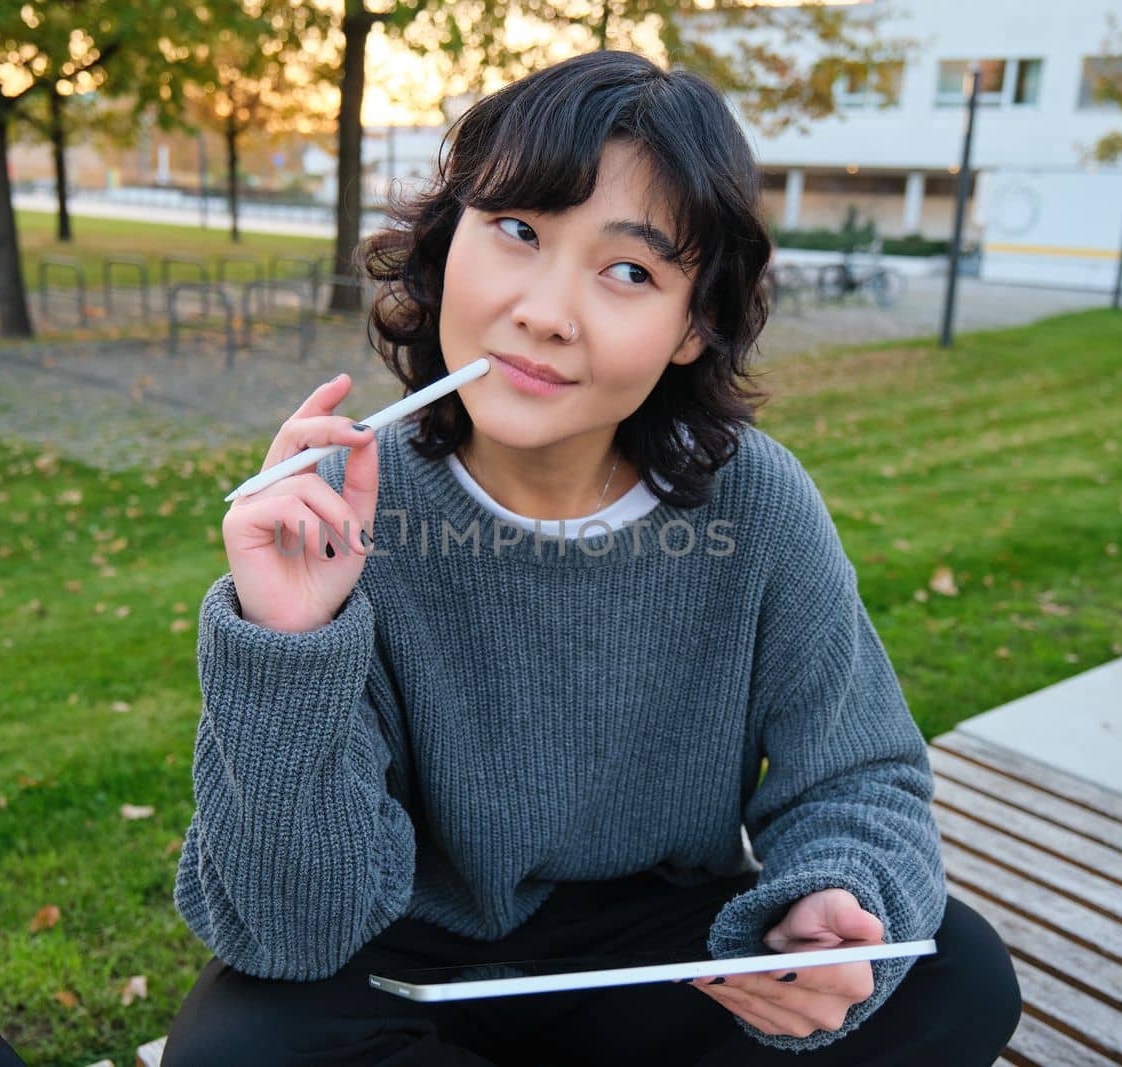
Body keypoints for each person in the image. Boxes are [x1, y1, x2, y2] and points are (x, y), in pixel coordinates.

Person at [164, 50, 1021, 1067]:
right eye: (517, 230)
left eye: (629, 270)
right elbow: (291, 932)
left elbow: (859, 775)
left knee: (953, 968)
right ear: (447, 244)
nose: (544, 311)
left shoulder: (754, 502)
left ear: (694, 326)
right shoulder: (347, 512)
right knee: (237, 1048)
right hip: (410, 949)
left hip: (666, 952)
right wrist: (290, 639)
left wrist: (839, 905)